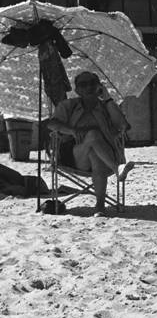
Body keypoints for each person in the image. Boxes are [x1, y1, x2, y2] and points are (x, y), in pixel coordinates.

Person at [48, 71, 133, 215]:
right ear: (77, 90)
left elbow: (123, 126)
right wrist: (72, 130)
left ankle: (100, 206)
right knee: (93, 135)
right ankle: (117, 169)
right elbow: (52, 124)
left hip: (103, 156)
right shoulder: (69, 106)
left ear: (99, 86)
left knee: (95, 154)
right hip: (74, 157)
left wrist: (107, 98)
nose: (89, 87)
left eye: (93, 83)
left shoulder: (106, 106)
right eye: (83, 84)